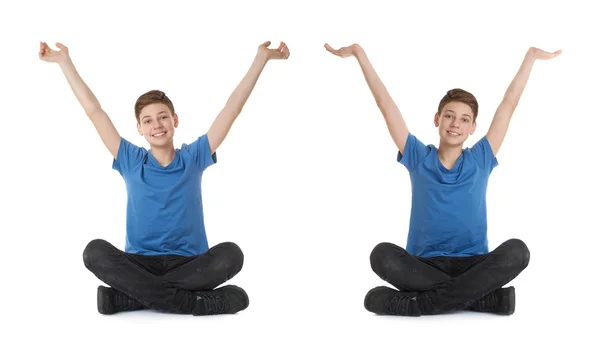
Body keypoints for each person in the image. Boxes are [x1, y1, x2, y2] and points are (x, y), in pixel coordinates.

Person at [39, 40, 290, 315]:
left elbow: (231, 109)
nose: (156, 125)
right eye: (148, 120)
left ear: (175, 120)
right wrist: (64, 62)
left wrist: (260, 60)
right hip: (139, 263)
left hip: (190, 263)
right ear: (139, 128)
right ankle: (190, 302)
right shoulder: (131, 160)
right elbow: (94, 111)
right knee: (93, 251)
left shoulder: (193, 157)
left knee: (232, 254)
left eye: (162, 117)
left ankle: (130, 299)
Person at [325, 42, 561, 316]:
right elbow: (385, 105)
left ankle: (421, 303)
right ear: (437, 119)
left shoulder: (480, 158)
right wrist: (359, 54)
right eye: (449, 116)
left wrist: (530, 58)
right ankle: (482, 300)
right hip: (424, 266)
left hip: (474, 265)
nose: (455, 124)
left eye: (464, 119)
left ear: (473, 128)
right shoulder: (418, 156)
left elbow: (508, 105)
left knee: (518, 251)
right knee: (381, 255)